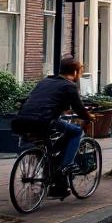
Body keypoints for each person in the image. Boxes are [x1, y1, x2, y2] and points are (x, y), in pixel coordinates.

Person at [16, 57, 95, 186]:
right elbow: (79, 109)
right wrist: (89, 117)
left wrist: (64, 110)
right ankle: (65, 167)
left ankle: (49, 168)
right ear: (75, 72)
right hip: (44, 121)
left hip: (22, 119)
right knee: (76, 131)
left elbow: (46, 100)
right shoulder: (69, 86)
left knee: (49, 145)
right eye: (80, 72)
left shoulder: (45, 81)